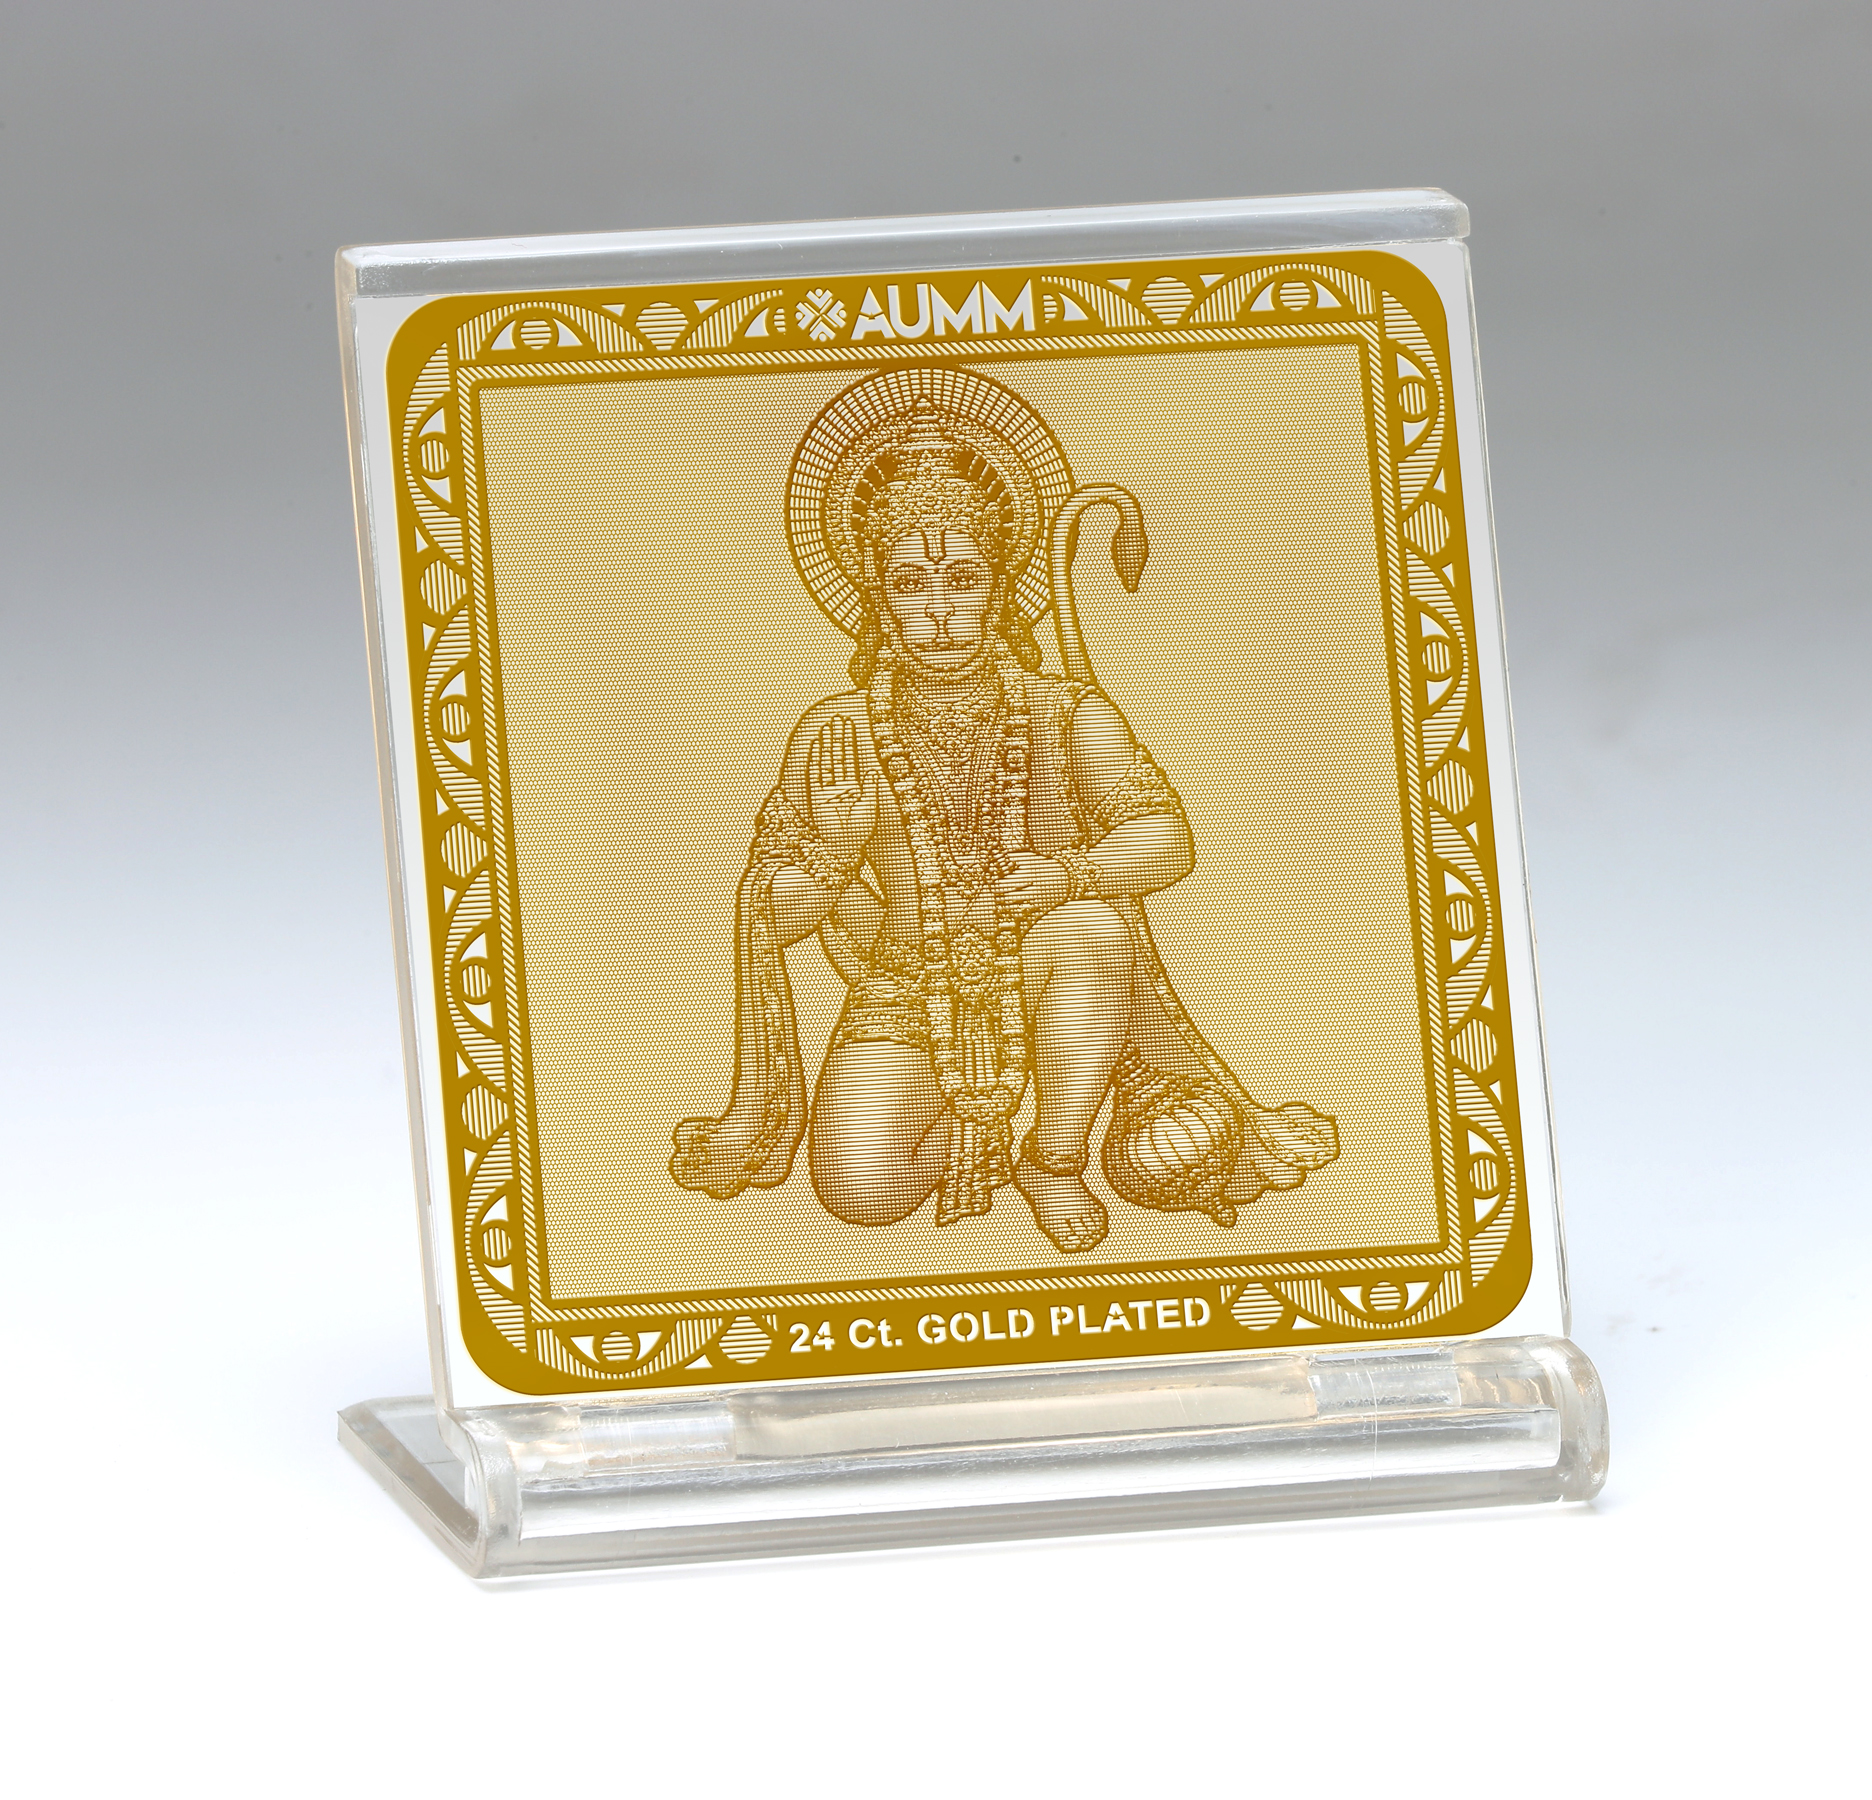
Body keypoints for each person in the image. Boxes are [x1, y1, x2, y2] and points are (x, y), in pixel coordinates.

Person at [672, 381, 1336, 1253]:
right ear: (878, 593)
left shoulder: (1067, 713)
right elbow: (778, 918)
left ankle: (1053, 1157)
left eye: (962, 579)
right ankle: (969, 1128)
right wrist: (833, 853)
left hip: (1043, 967)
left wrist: (1069, 875)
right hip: (905, 984)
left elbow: (1168, 840)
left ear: (998, 583)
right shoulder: (837, 731)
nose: (939, 610)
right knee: (858, 1192)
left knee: (1090, 931)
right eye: (911, 583)